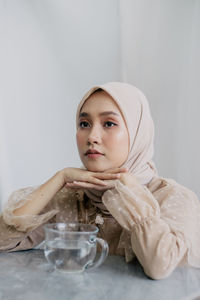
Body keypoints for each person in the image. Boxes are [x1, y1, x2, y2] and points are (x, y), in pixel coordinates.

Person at [0, 82, 200, 280]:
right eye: (84, 124)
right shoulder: (74, 197)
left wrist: (130, 190)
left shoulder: (174, 198)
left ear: (138, 132)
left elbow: (159, 266)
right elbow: (3, 241)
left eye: (109, 124)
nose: (92, 137)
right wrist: (59, 177)